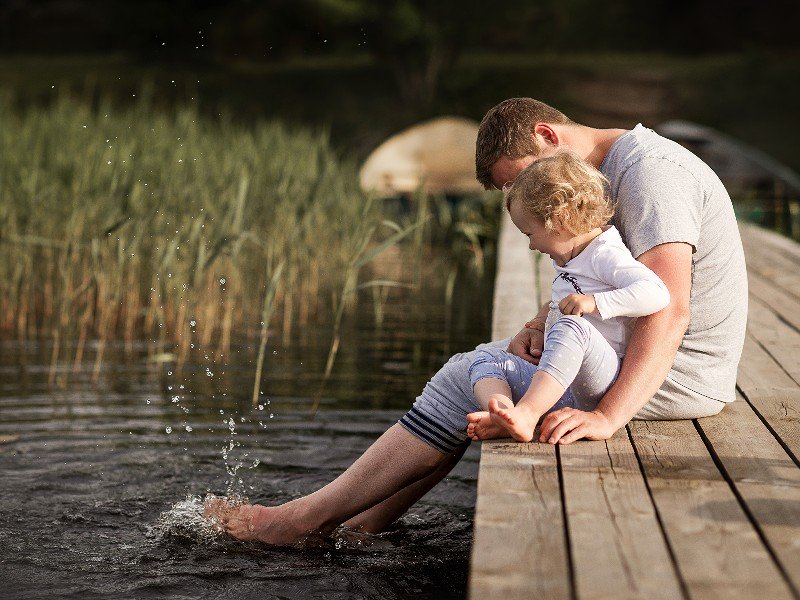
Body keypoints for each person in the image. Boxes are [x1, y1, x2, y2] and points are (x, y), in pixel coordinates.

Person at [204, 98, 747, 546]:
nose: (534, 198)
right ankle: (356, 526)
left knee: (462, 376)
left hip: (673, 378)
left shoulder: (652, 174)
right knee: (475, 371)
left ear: (547, 136)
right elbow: (594, 276)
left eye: (528, 180)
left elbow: (669, 309)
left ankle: (302, 522)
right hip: (632, 360)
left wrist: (608, 417)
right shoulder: (612, 175)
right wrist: (542, 321)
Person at [466, 150, 670, 444]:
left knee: (572, 325)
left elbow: (657, 293)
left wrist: (595, 303)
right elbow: (558, 303)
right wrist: (537, 325)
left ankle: (527, 413)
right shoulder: (567, 257)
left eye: (529, 234)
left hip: (598, 379)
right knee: (485, 355)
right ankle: (506, 415)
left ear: (559, 221)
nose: (532, 246)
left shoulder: (604, 254)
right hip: (559, 379)